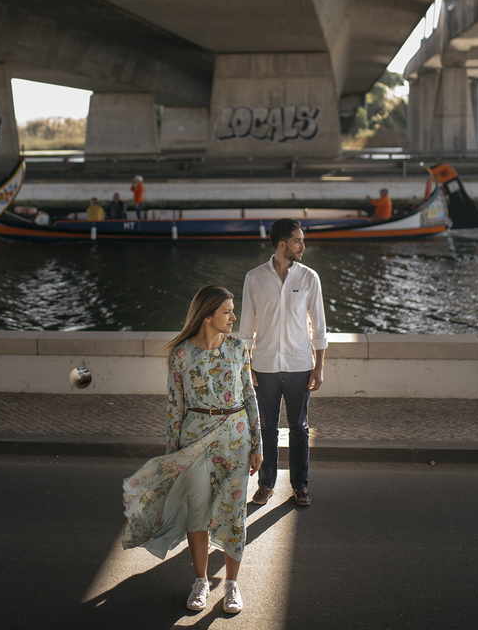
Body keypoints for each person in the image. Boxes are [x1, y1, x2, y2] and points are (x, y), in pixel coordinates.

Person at [122, 285, 262, 614]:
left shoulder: (239, 349)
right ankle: (200, 580)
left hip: (236, 440)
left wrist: (259, 444)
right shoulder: (181, 355)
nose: (233, 317)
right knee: (196, 514)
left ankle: (231, 584)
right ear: (208, 315)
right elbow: (174, 409)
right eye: (227, 311)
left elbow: (251, 398)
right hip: (194, 441)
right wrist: (171, 457)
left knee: (233, 513)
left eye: (232, 310)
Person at [239, 217, 326, 508]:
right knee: (267, 429)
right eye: (298, 240)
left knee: (299, 428)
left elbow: (319, 326)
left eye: (302, 240)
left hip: (300, 364)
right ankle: (266, 484)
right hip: (264, 365)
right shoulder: (254, 277)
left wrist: (319, 365)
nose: (303, 245)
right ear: (282, 244)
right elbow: (246, 328)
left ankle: (300, 486)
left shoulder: (309, 277)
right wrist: (246, 366)